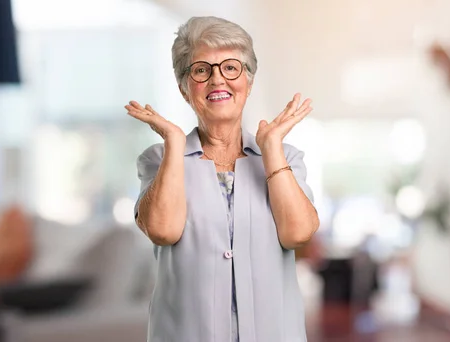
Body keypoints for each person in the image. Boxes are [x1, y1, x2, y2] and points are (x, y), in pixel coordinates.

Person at [125, 16, 320, 342]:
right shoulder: (157, 160)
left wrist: (270, 147)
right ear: (185, 87)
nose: (218, 79)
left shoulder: (286, 157)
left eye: (231, 67)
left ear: (249, 81)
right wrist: (174, 143)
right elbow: (163, 230)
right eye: (202, 70)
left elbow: (298, 234)